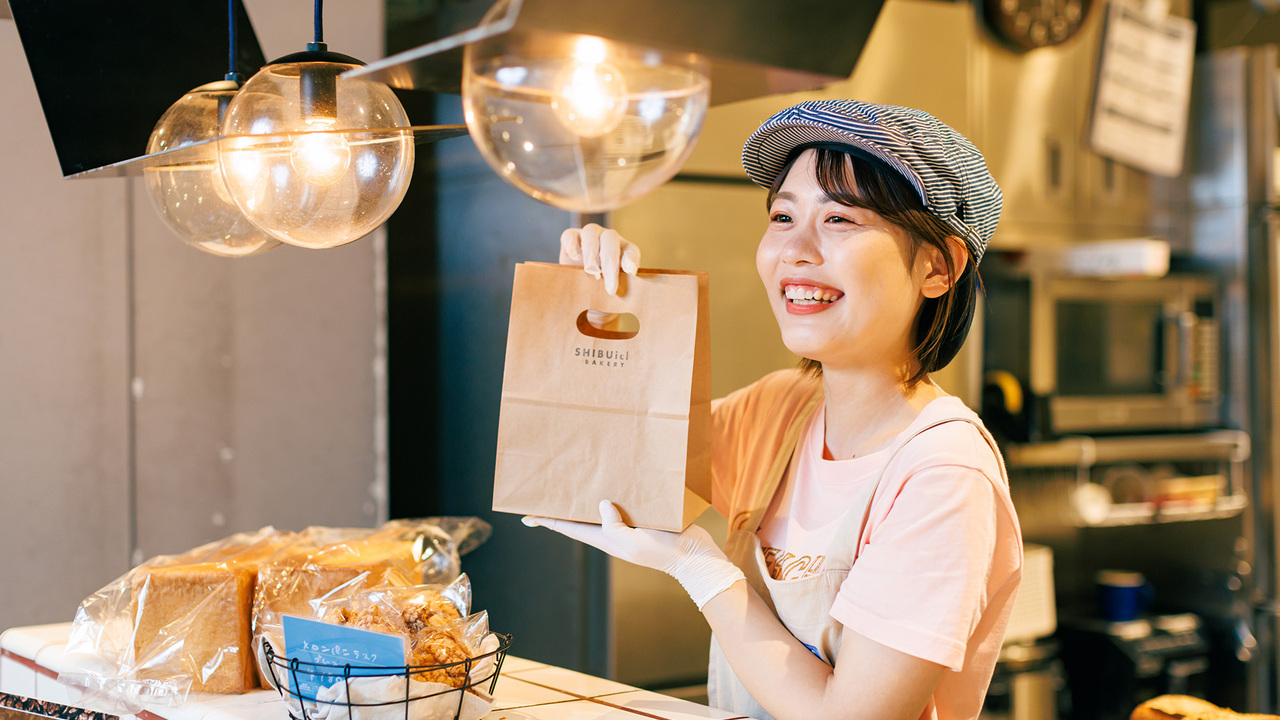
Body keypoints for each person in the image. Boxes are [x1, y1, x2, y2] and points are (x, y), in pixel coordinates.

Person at [522, 99, 1023, 720]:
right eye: (783, 215)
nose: (795, 249)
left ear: (937, 267)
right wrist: (591, 301)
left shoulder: (944, 474)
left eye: (840, 219)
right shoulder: (781, 410)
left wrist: (698, 565)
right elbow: (584, 458)